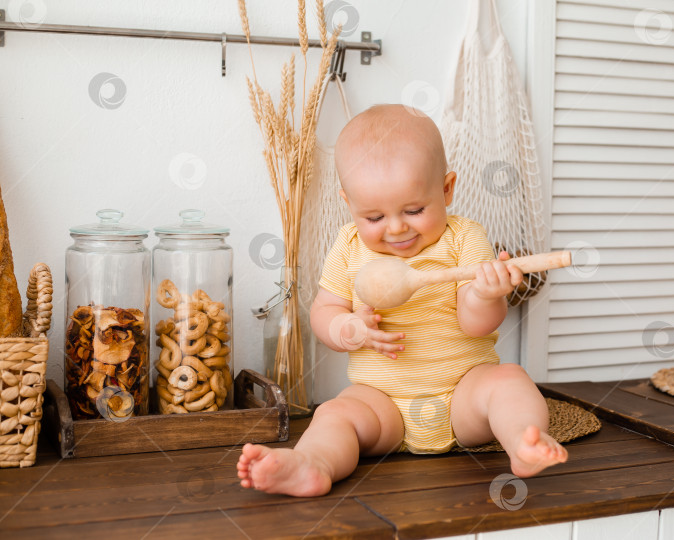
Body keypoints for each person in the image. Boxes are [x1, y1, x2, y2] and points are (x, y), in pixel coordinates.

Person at [237, 104, 567, 496]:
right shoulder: (347, 247)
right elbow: (324, 311)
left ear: (446, 189)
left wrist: (483, 293)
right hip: (382, 404)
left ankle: (521, 442)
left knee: (509, 381)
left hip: (463, 396)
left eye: (414, 210)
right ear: (349, 202)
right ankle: (313, 464)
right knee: (335, 413)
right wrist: (347, 329)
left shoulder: (464, 238)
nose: (396, 228)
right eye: (374, 217)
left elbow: (477, 324)